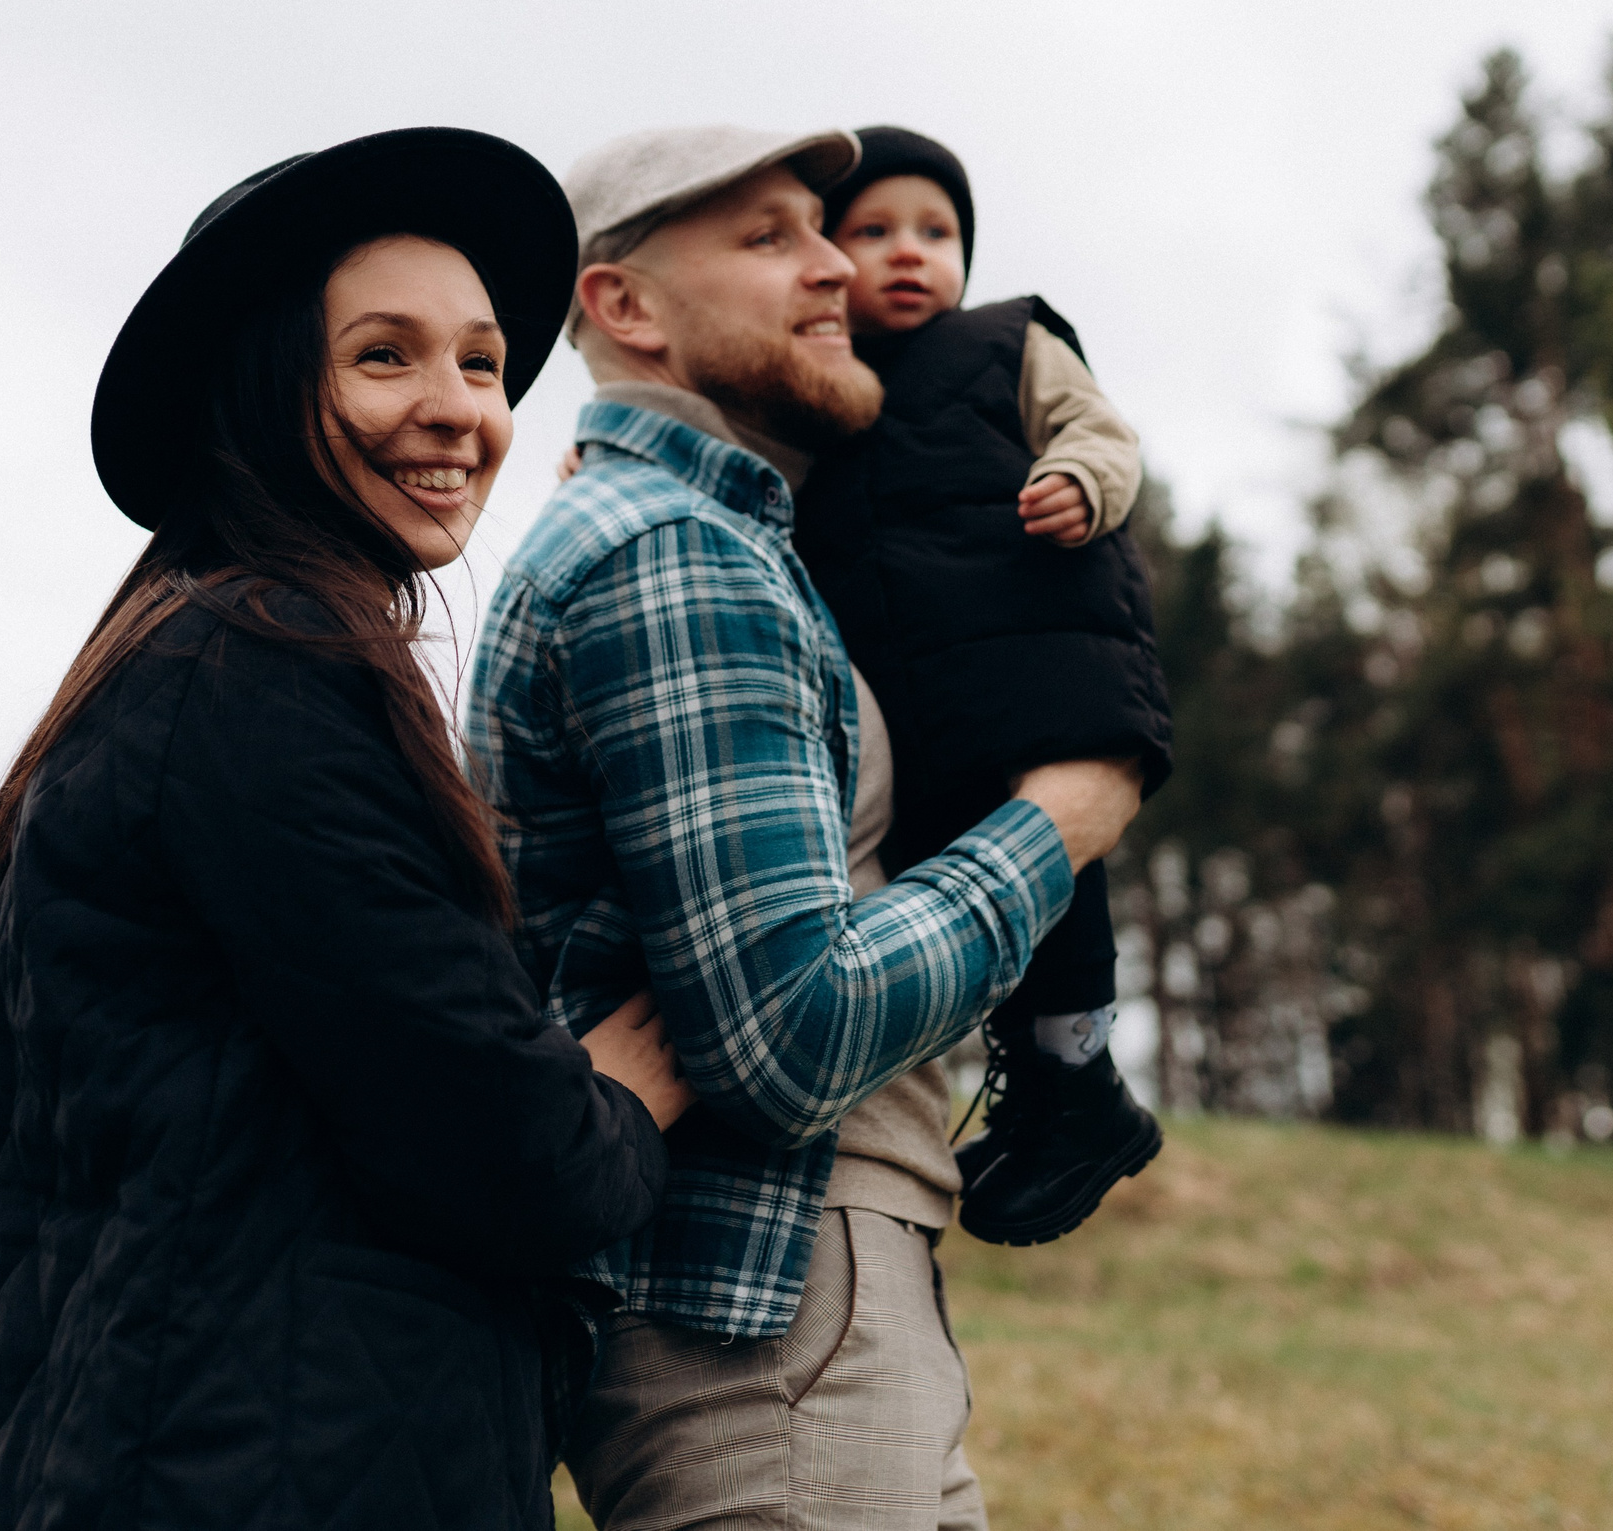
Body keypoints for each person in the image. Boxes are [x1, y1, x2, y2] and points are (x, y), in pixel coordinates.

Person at [0, 127, 689, 1531]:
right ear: (262, 387)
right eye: (384, 355)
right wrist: (624, 1097)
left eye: (482, 363)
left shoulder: (192, 654)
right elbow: (500, 1147)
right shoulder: (272, 673)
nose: (458, 409)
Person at [464, 125, 1143, 1530]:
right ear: (625, 306)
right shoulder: (675, 554)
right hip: (766, 1315)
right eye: (772, 238)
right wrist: (1057, 822)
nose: (839, 264)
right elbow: (790, 1033)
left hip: (817, 1282)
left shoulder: (732, 540)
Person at [800, 126, 1173, 1248]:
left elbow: (1098, 431)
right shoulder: (815, 384)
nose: (909, 252)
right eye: (873, 232)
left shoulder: (1007, 339)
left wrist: (1076, 481)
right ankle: (1045, 1081)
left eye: (936, 231)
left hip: (1034, 649)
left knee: (1051, 856)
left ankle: (1076, 1076)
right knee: (963, 878)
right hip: (913, 691)